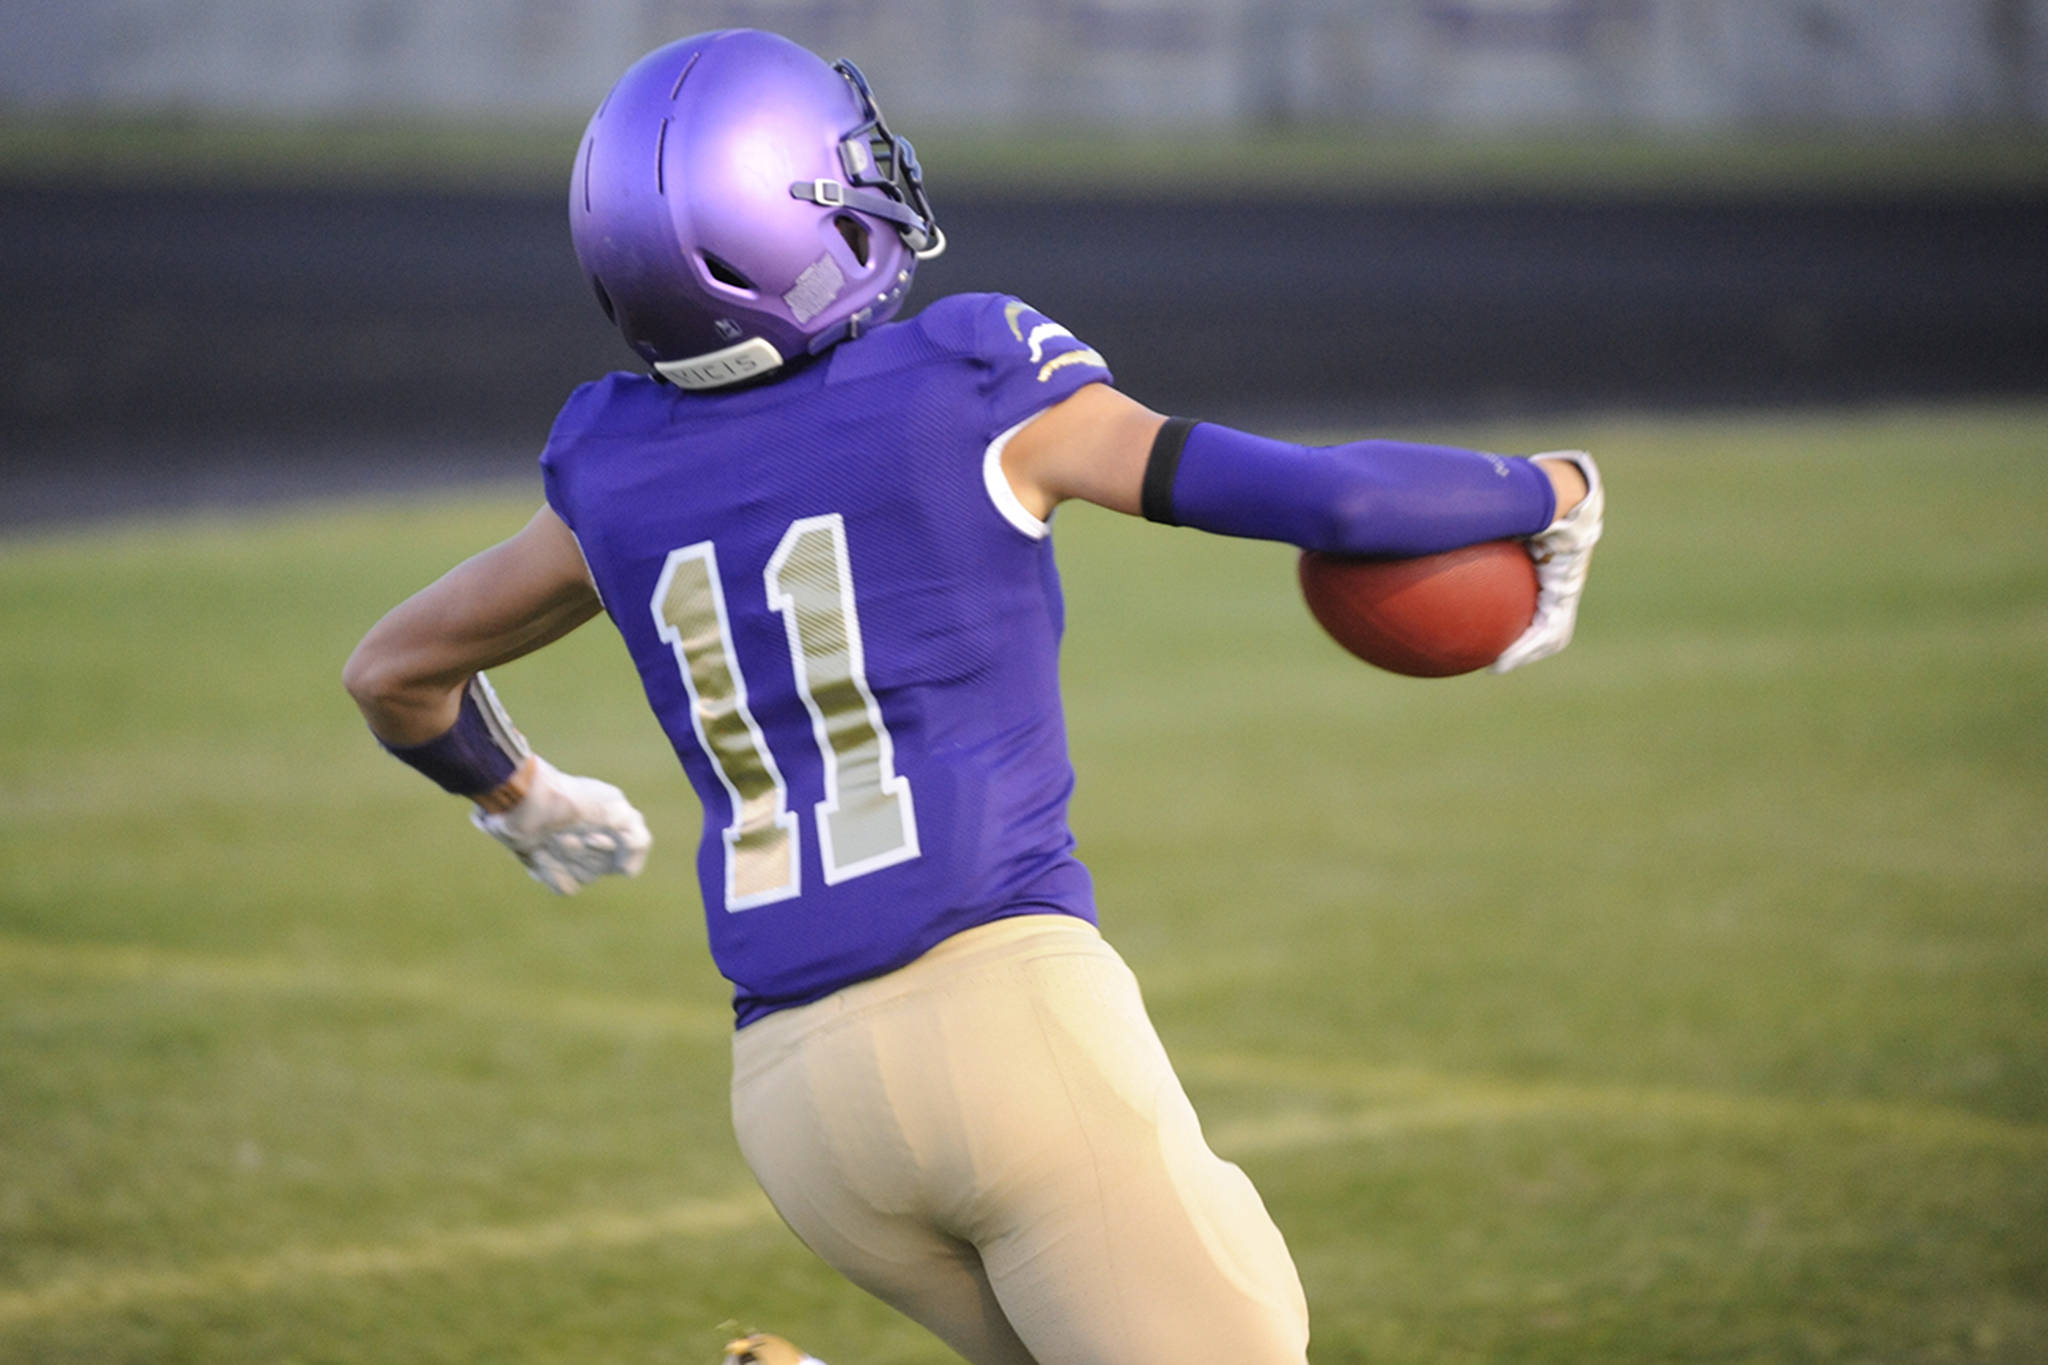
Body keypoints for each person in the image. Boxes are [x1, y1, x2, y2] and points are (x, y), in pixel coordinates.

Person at [342, 28, 1603, 1365]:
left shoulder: (612, 471)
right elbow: (1338, 500)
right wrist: (1556, 490)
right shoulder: (973, 382)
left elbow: (395, 672)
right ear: (794, 223)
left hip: (794, 1094)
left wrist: (520, 796)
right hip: (1006, 1022)